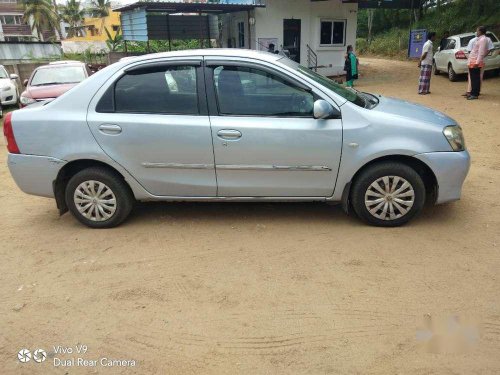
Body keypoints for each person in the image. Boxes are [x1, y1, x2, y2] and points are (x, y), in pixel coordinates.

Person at [463, 33, 495, 97]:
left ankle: (471, 91)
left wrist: (476, 59)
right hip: (481, 60)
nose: (476, 32)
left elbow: (470, 51)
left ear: (480, 32)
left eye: (477, 31)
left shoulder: (473, 40)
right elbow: (490, 49)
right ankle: (475, 91)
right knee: (479, 76)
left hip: (475, 60)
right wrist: (483, 56)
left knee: (472, 76)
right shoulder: (488, 39)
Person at [467, 26, 489, 100]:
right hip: (473, 60)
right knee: (473, 78)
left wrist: (477, 62)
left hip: (476, 61)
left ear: (481, 31)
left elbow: (481, 52)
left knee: (475, 78)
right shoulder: (479, 39)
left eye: (477, 31)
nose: (476, 32)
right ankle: (473, 92)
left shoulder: (483, 39)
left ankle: (475, 94)